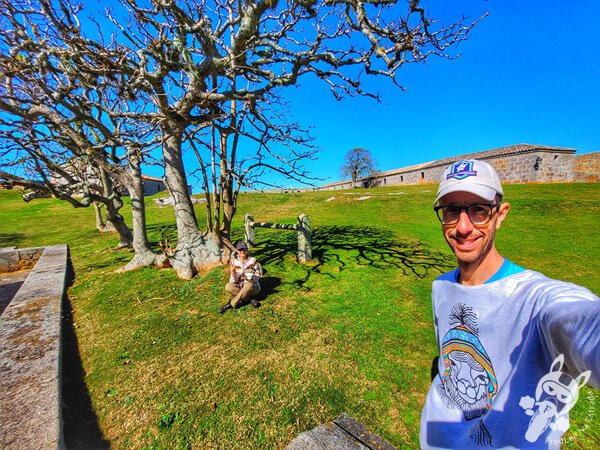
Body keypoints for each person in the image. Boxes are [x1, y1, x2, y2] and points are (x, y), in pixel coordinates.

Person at [420, 159, 599, 449]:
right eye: (452, 210)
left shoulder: (536, 298)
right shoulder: (440, 286)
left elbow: (580, 322)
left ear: (500, 214)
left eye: (478, 210)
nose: (463, 227)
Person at [219, 241, 262, 313]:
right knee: (228, 286)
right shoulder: (234, 263)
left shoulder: (253, 260)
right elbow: (233, 281)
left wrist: (252, 278)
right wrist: (233, 273)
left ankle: (230, 304)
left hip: (253, 287)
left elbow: (259, 275)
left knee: (249, 284)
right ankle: (249, 299)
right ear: (237, 251)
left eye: (244, 249)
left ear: (247, 249)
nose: (242, 251)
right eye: (240, 249)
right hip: (241, 286)